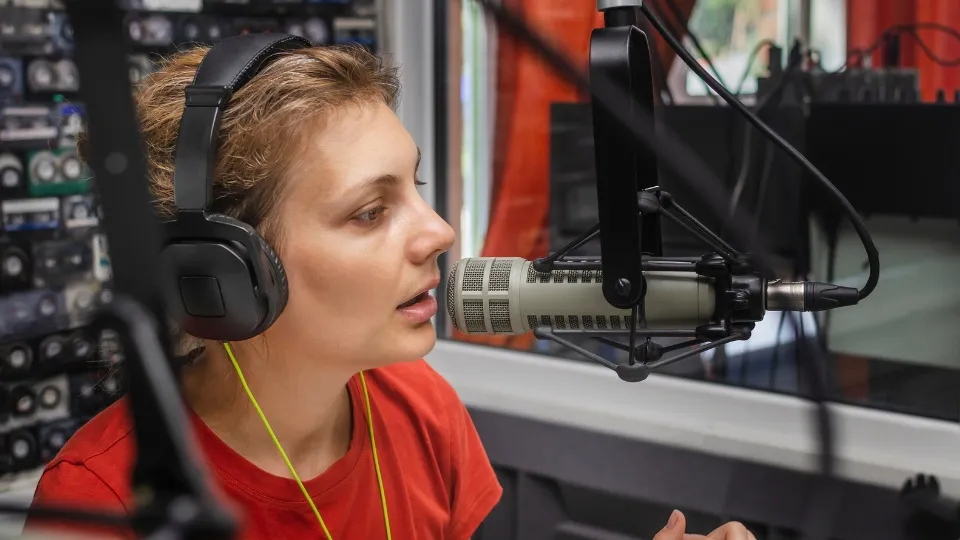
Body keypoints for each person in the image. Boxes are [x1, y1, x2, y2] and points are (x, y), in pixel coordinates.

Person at [23, 43, 756, 540]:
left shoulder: (419, 406)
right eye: (371, 212)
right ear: (224, 274)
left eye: (418, 188)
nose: (436, 231)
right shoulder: (101, 503)